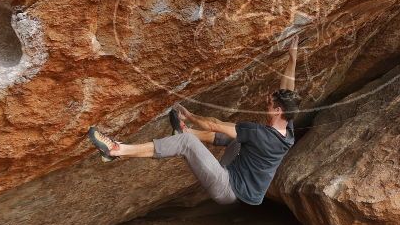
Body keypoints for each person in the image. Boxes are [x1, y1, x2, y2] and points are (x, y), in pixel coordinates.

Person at [87, 38, 301, 206]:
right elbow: (287, 92)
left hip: (227, 187)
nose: (267, 102)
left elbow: (214, 124)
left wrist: (190, 116)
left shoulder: (258, 132)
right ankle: (186, 131)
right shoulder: (287, 132)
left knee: (187, 144)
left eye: (270, 103)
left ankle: (116, 150)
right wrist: (292, 58)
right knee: (236, 140)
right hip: (238, 185)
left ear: (278, 110)